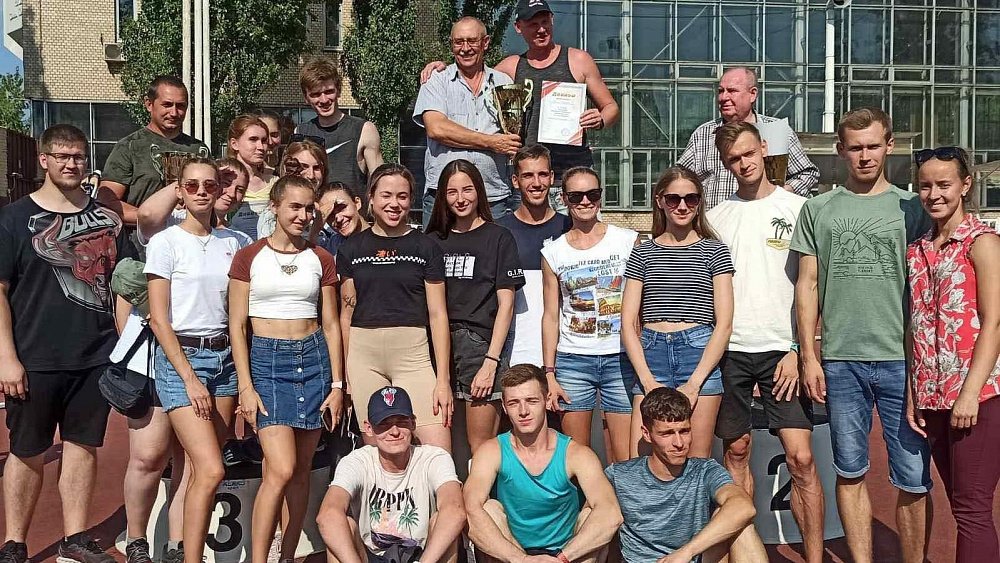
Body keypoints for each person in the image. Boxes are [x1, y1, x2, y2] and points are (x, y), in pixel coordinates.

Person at [791, 107, 933, 563]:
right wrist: (809, 356)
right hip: (841, 361)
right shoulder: (818, 209)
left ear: (890, 146)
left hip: (902, 361)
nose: (865, 156)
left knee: (913, 477)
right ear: (841, 151)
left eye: (873, 146)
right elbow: (807, 285)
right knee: (850, 470)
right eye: (855, 148)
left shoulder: (914, 209)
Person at [0, 125, 124, 563]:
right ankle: (14, 542)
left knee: (82, 446)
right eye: (62, 156)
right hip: (33, 357)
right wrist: (7, 358)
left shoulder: (108, 221)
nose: (71, 164)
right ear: (44, 160)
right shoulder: (13, 219)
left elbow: (122, 285)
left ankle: (75, 535)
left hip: (94, 356)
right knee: (27, 451)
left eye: (78, 156)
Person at [706, 122, 824, 563]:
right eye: (734, 159)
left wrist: (799, 349)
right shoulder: (716, 217)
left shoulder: (799, 209)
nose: (744, 164)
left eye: (749, 153)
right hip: (731, 350)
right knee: (736, 453)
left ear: (764, 149)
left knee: (801, 460)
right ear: (725, 165)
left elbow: (813, 286)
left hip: (783, 351)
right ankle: (747, 553)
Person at [229, 175, 345, 563]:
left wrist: (337, 385)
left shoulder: (321, 258)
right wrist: (245, 386)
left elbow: (331, 324)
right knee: (280, 469)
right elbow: (237, 326)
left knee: (301, 471)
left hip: (314, 362)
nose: (303, 215)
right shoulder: (249, 257)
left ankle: (288, 555)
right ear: (275, 207)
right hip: (267, 362)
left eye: (309, 208)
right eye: (295, 207)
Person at [144, 157, 250, 563]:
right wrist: (189, 378)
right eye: (192, 185)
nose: (202, 191)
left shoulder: (235, 242)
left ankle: (184, 551)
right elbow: (159, 319)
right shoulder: (165, 242)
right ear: (180, 191)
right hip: (182, 360)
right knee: (211, 469)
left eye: (210, 184)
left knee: (195, 468)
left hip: (224, 359)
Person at [906, 147, 1000, 563]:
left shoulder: (982, 243)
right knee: (961, 506)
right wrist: (913, 393)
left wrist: (969, 394)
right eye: (925, 186)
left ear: (965, 185)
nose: (934, 194)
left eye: (944, 184)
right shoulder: (917, 250)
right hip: (933, 397)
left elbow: (994, 322)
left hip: (978, 396)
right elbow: (914, 326)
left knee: (972, 510)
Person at [421, 0, 619, 183]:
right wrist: (443, 67)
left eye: (545, 22)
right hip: (529, 176)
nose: (541, 29)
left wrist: (600, 119)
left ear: (552, 20)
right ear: (518, 27)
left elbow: (611, 107)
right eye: (533, 24)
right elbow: (474, 73)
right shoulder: (510, 67)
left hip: (573, 173)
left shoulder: (578, 60)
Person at [336, 164, 453, 450]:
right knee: (380, 451)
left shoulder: (426, 247)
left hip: (413, 355)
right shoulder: (351, 249)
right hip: (364, 356)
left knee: (438, 451)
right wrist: (347, 374)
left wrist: (443, 380)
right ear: (371, 197)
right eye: (386, 195)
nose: (394, 204)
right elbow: (346, 314)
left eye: (402, 196)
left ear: (411, 200)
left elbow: (438, 315)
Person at [620, 167, 732, 459]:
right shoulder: (643, 252)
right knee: (641, 460)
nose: (682, 206)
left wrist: (694, 384)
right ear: (660, 201)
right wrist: (647, 380)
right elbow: (628, 323)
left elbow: (724, 325)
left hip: (698, 355)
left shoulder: (715, 251)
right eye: (673, 199)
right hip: (652, 355)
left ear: (699, 202)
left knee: (694, 460)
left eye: (690, 199)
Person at [464, 364, 622, 563]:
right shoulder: (491, 451)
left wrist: (562, 558)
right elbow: (470, 511)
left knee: (593, 513)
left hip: (567, 555)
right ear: (504, 406)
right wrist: (522, 560)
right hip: (513, 554)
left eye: (531, 401)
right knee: (488, 509)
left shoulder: (576, 454)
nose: (523, 411)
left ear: (547, 400)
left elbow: (611, 514)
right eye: (513, 403)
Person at [425, 159, 525, 453]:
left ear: (479, 191)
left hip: (479, 348)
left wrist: (491, 362)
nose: (460, 199)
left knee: (481, 446)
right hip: (436, 349)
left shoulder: (499, 237)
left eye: (467, 190)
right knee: (440, 447)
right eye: (452, 192)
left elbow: (506, 305)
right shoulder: (432, 241)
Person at [541, 167, 637, 462]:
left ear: (600, 197)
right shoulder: (553, 252)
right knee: (576, 455)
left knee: (625, 457)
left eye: (592, 194)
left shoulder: (628, 240)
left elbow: (641, 306)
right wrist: (549, 373)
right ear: (563, 199)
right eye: (576, 196)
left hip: (621, 358)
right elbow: (551, 316)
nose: (585, 201)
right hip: (573, 361)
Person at [608, 387, 766, 563]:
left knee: (742, 524)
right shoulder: (620, 475)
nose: (679, 443)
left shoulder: (705, 470)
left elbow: (744, 507)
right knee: (593, 512)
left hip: (690, 558)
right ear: (647, 434)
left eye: (684, 431)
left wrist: (686, 552)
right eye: (667, 433)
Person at [317, 386, 466, 563]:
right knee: (342, 527)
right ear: (369, 428)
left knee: (443, 522)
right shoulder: (357, 461)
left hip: (423, 555)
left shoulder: (434, 458)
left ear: (413, 423)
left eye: (402, 422)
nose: (394, 432)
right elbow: (327, 515)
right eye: (384, 424)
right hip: (370, 556)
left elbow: (455, 510)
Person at [414, 16, 519, 227]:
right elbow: (436, 129)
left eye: (472, 41)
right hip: (443, 196)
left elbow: (512, 137)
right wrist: (490, 142)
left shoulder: (504, 83)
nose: (465, 48)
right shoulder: (436, 80)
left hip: (492, 196)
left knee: (495, 249)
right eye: (458, 42)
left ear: (485, 43)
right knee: (436, 249)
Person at [677, 67, 819, 210]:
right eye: (720, 91)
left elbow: (808, 173)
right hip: (714, 220)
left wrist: (781, 193)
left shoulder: (776, 131)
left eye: (732, 91)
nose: (723, 97)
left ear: (752, 94)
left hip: (764, 218)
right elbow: (679, 178)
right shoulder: (703, 134)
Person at [98, 76, 210, 255]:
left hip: (192, 246)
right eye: (167, 105)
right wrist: (153, 217)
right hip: (142, 247)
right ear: (149, 104)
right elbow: (107, 203)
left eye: (181, 106)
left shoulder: (199, 150)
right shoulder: (130, 146)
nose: (174, 112)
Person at [497, 145, 572, 367]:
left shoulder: (570, 228)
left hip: (564, 354)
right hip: (514, 354)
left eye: (542, 174)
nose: (536, 183)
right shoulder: (499, 231)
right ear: (515, 180)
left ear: (552, 178)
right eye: (528, 175)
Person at [296, 56, 383, 197]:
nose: (324, 100)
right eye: (316, 94)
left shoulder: (364, 130)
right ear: (306, 98)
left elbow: (380, 184)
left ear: (339, 90)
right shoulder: (300, 132)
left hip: (352, 210)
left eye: (329, 91)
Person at [137, 156, 251, 241]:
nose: (232, 194)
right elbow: (147, 215)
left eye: (240, 190)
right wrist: (195, 178)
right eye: (226, 183)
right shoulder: (175, 220)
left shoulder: (240, 238)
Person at [256, 140, 329, 239]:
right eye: (303, 167)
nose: (311, 175)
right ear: (287, 167)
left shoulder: (332, 209)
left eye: (317, 168)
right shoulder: (272, 215)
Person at [227, 115, 278, 240]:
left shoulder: (275, 182)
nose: (260, 147)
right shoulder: (222, 182)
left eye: (264, 141)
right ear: (234, 144)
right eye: (253, 139)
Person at [313, 181, 369, 257]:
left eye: (342, 208)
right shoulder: (333, 244)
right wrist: (315, 229)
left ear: (357, 203)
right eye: (330, 215)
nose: (339, 219)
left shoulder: (381, 238)